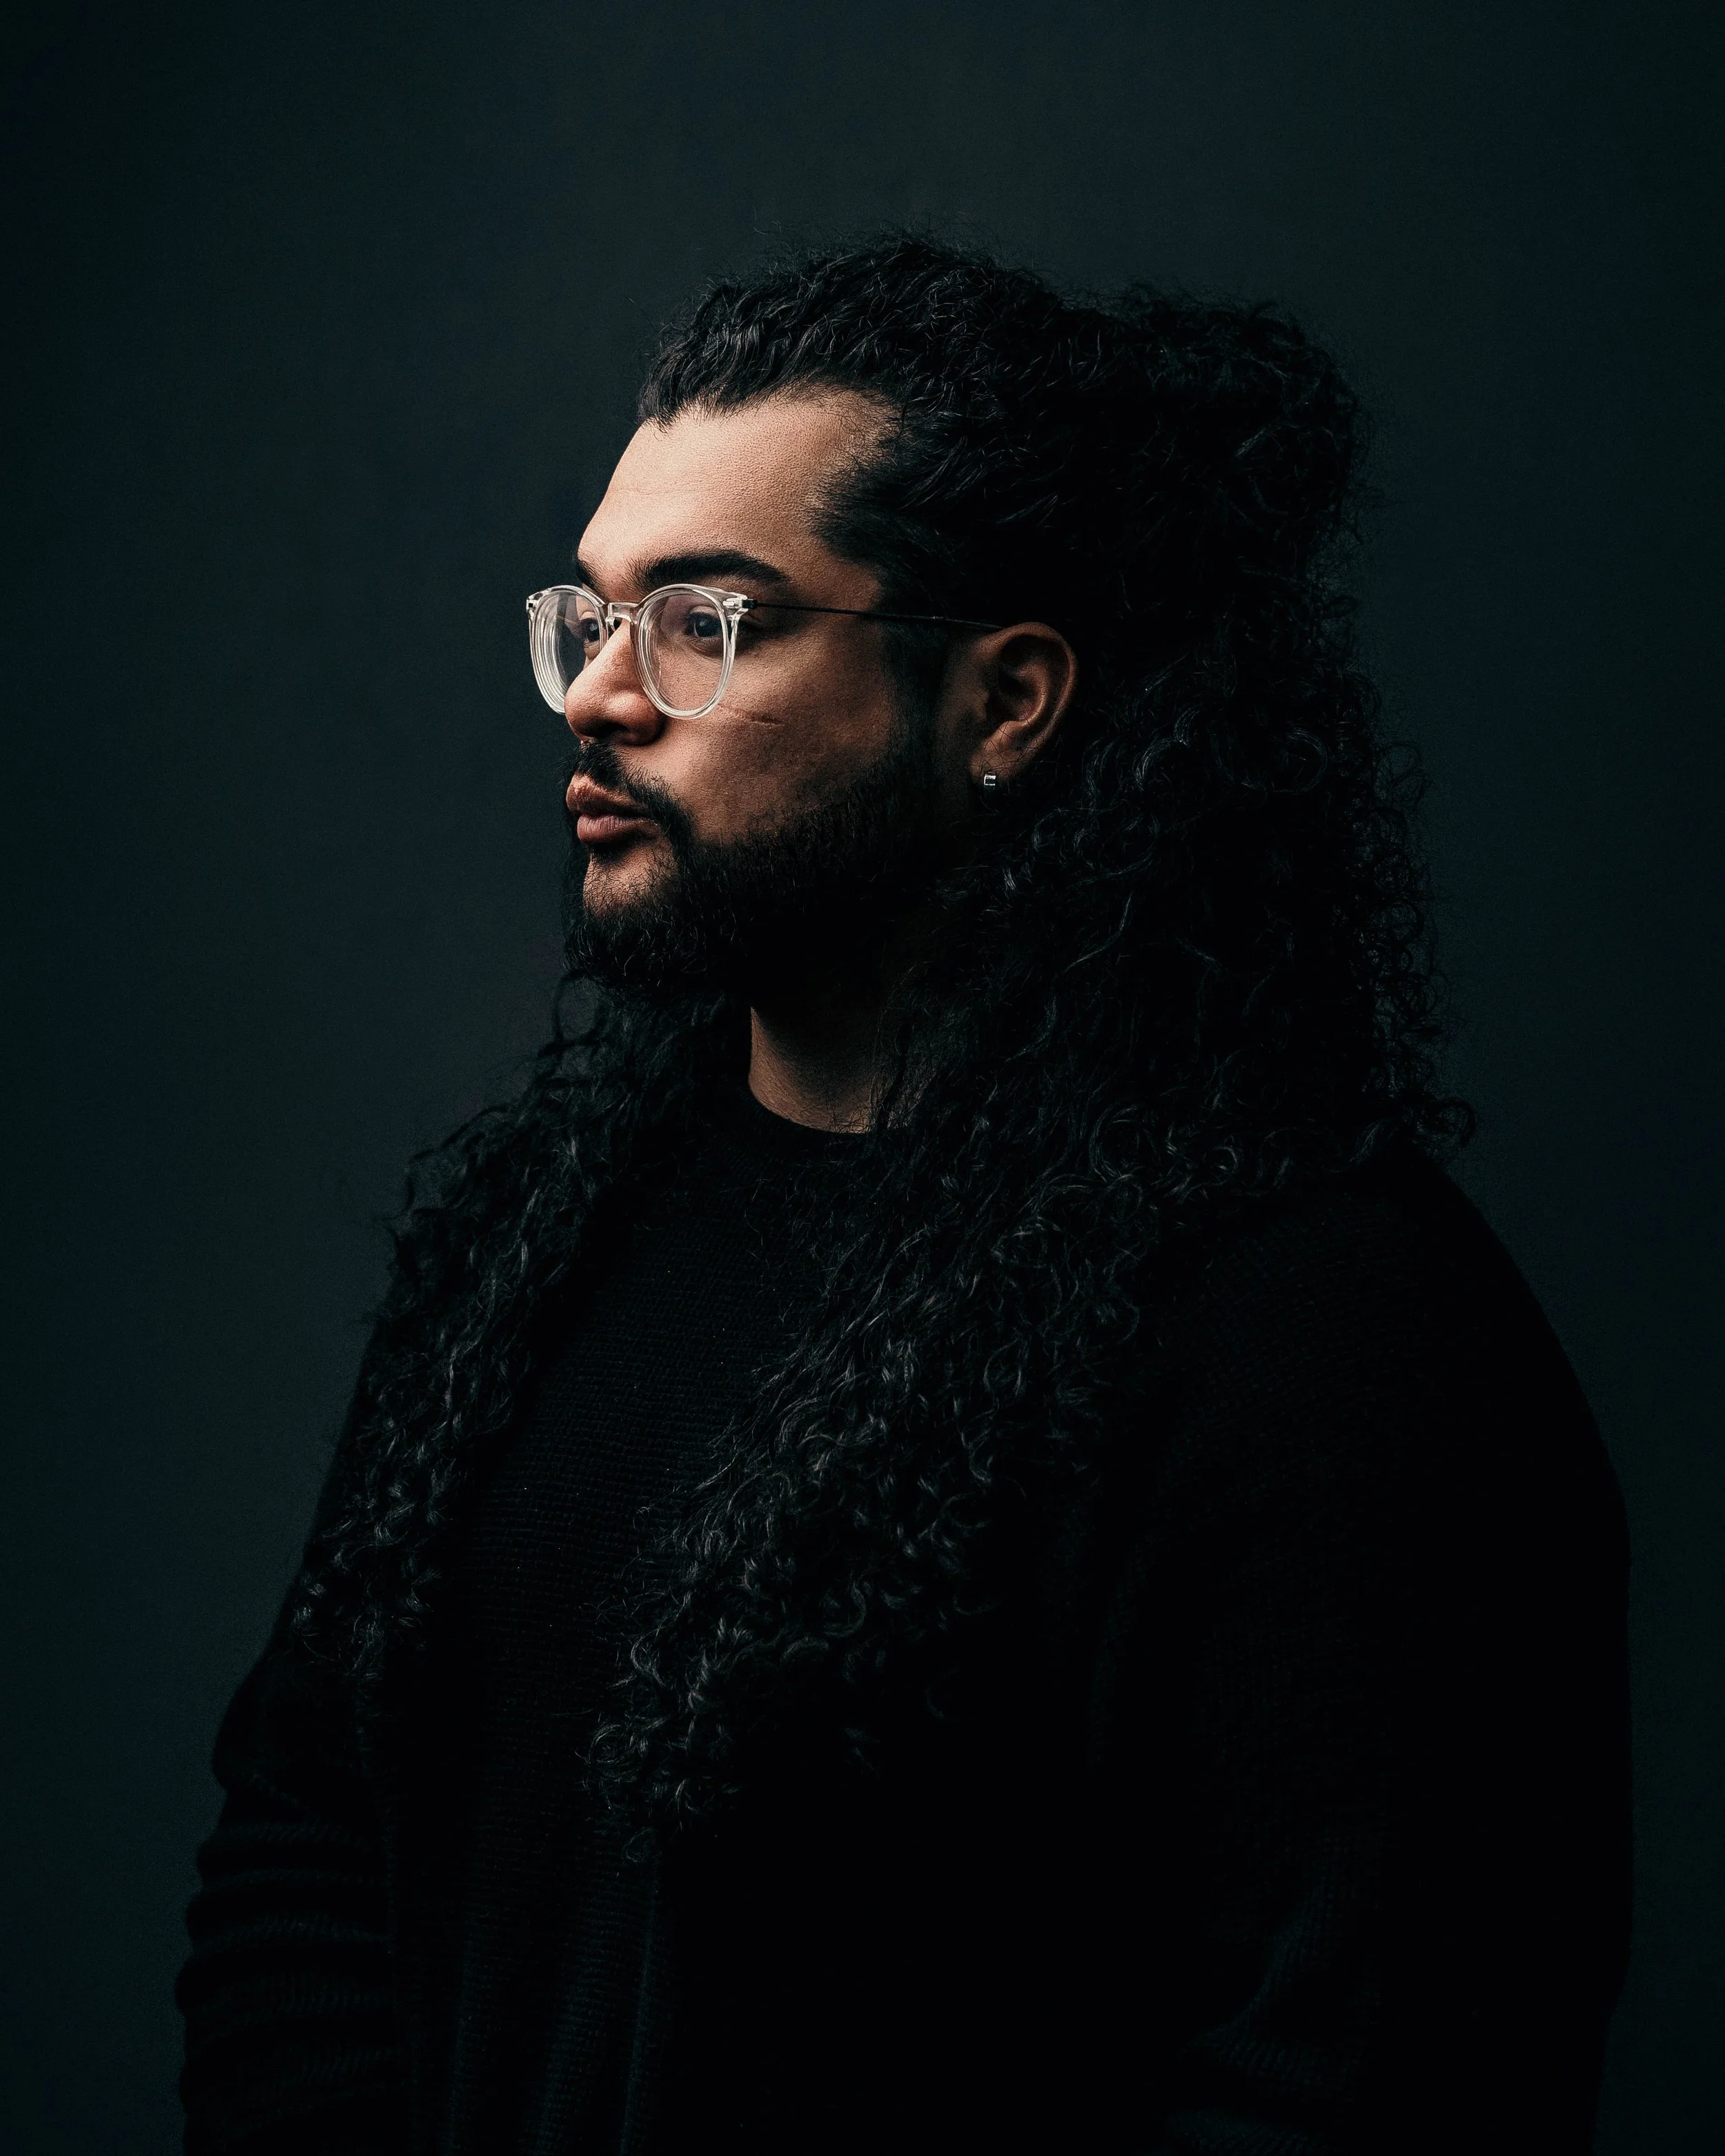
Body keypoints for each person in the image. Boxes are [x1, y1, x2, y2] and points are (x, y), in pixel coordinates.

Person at [177, 236, 1629, 2155]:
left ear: (1004, 700)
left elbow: (1357, 2075)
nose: (598, 695)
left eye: (706, 622)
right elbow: (306, 1842)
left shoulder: (1317, 1330)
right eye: (587, 616)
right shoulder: (542, 1231)